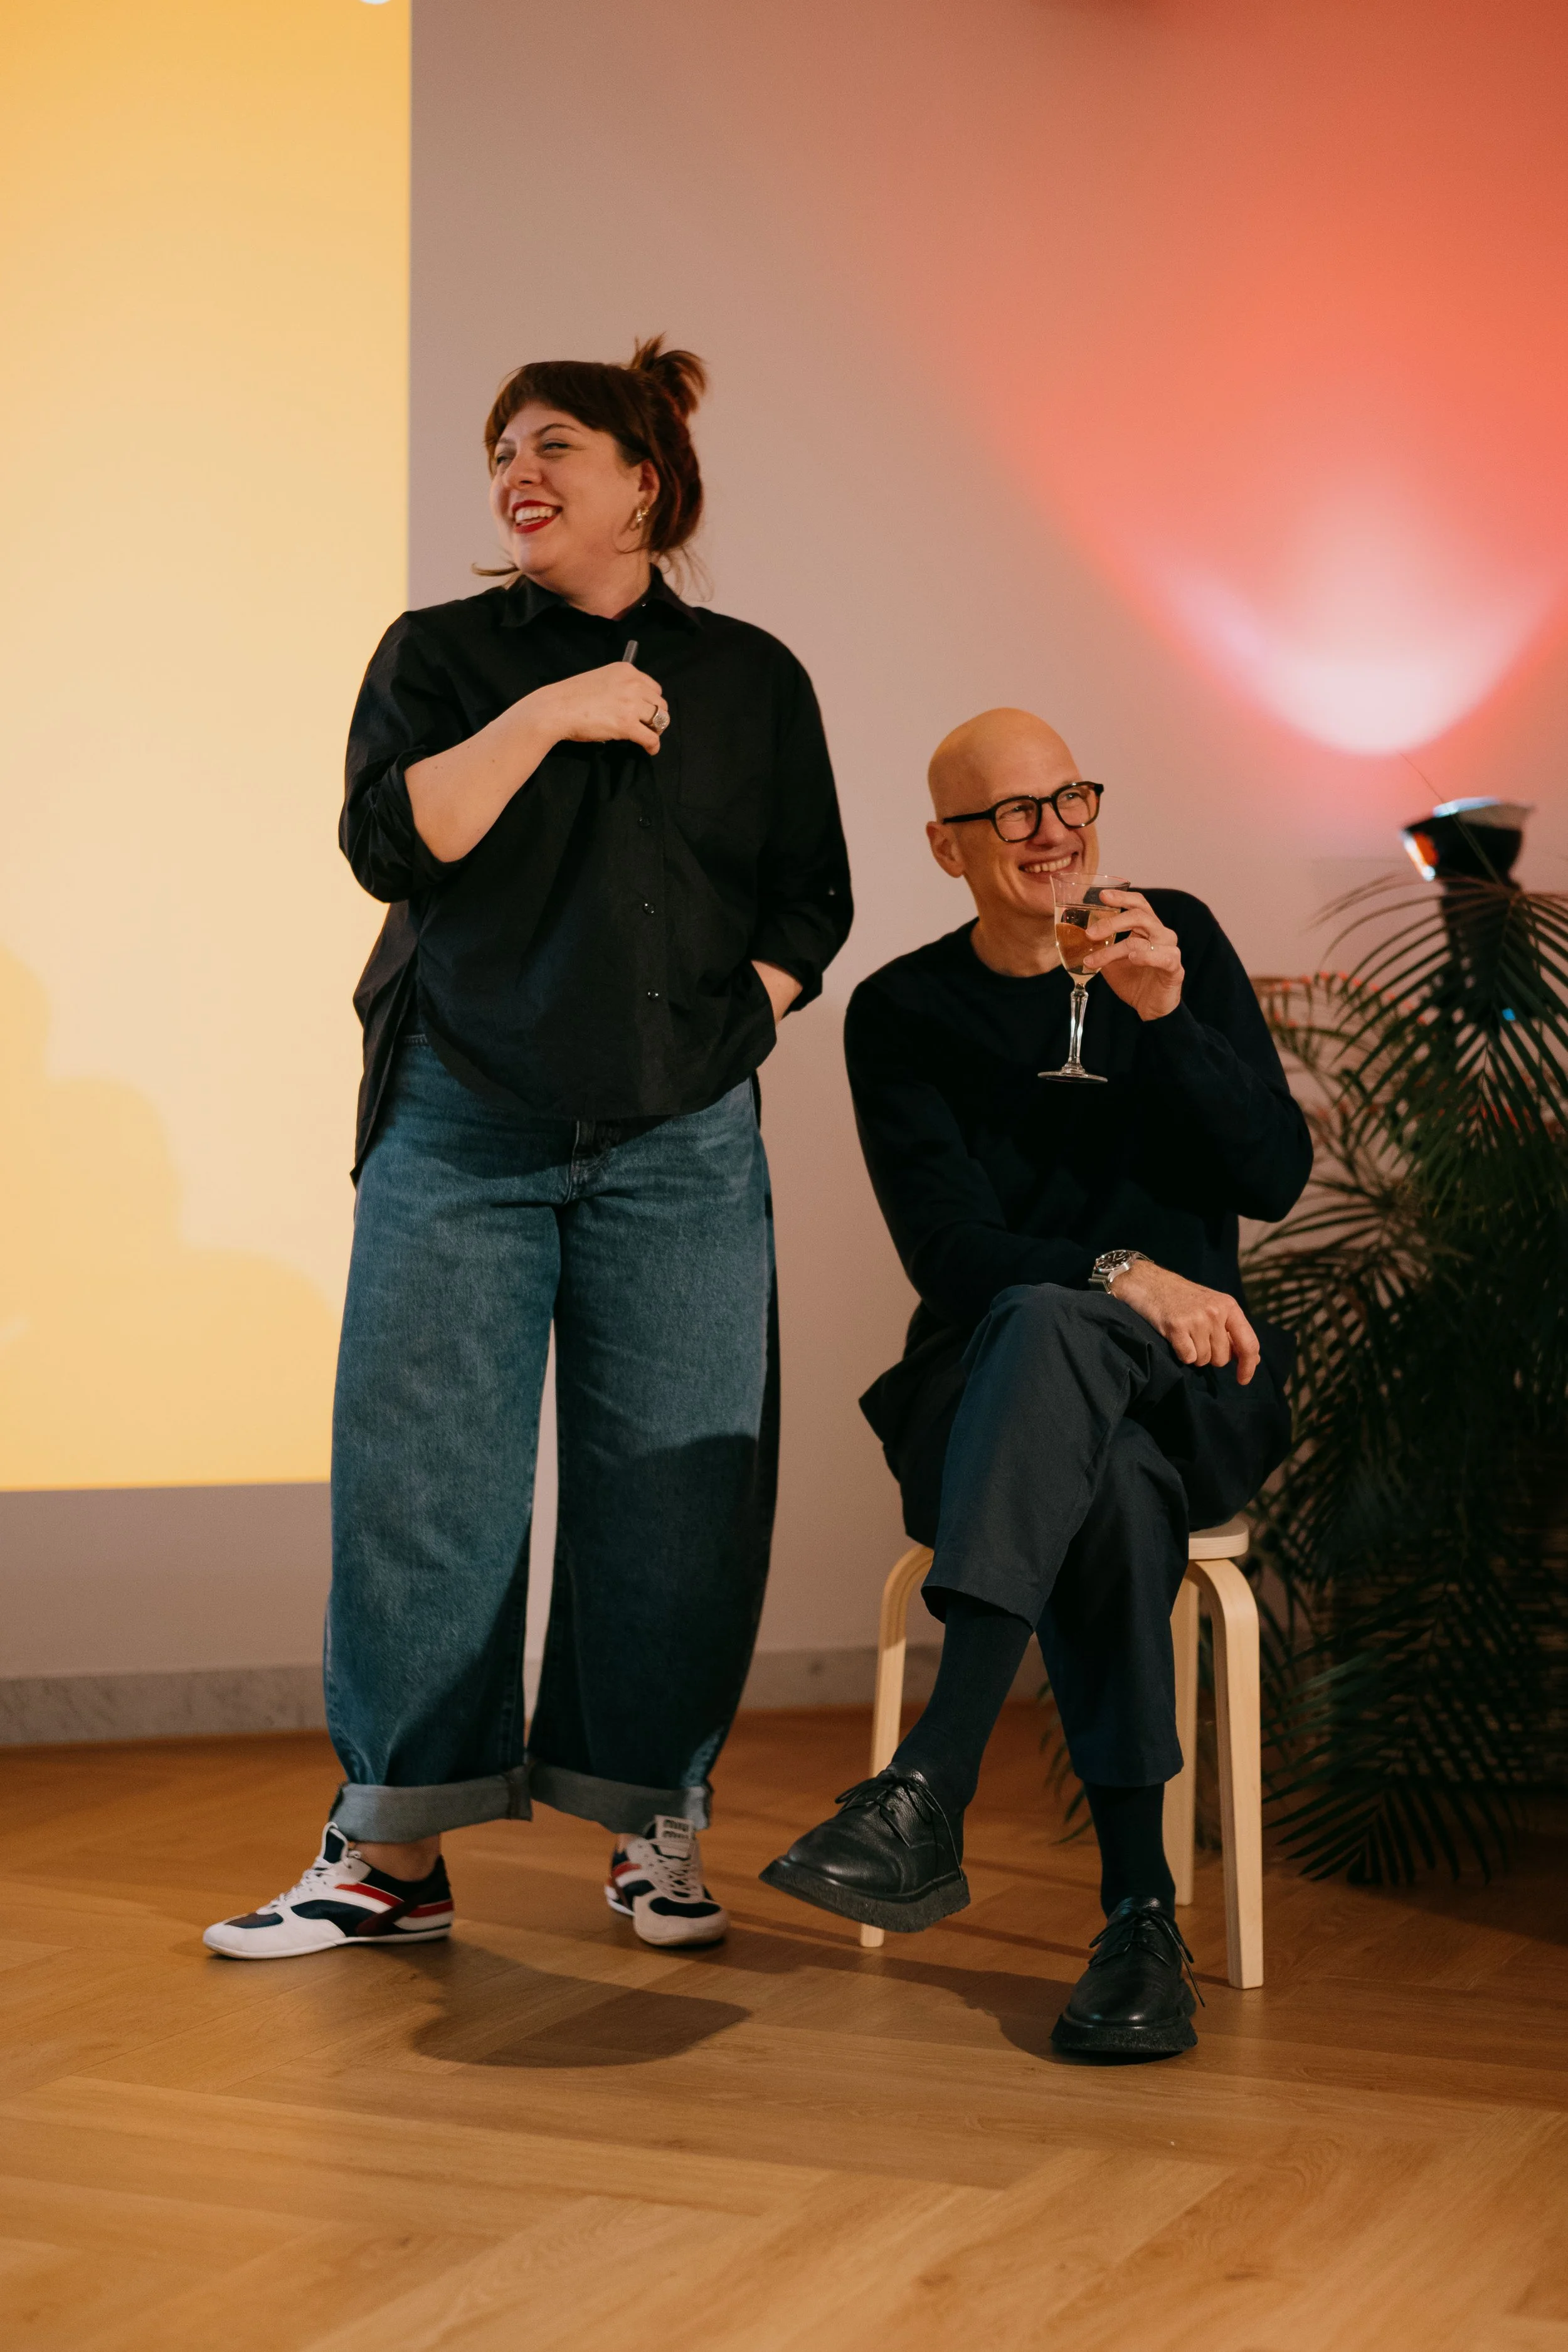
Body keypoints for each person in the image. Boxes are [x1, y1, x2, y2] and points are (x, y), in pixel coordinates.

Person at [206, 337, 851, 1961]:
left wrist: (732, 1023)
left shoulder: (751, 678)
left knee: (674, 1496)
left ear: (647, 476)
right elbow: (382, 840)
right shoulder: (440, 653)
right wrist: (549, 709)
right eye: (503, 444)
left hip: (679, 1148)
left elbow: (808, 898)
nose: (520, 464)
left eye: (556, 439)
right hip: (462, 1122)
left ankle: (651, 1825)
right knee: (423, 1491)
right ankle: (392, 1859)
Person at [761, 708, 1308, 2058]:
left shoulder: (1170, 942)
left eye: (1068, 796)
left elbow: (1272, 1177)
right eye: (1011, 812)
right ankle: (1138, 1922)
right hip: (987, 1388)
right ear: (946, 848)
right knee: (1084, 1429)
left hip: (1191, 1386)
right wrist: (1122, 1269)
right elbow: (952, 1255)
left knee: (1102, 1404)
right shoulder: (901, 1013)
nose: (1053, 828)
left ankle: (930, 1784)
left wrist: (1168, 1019)